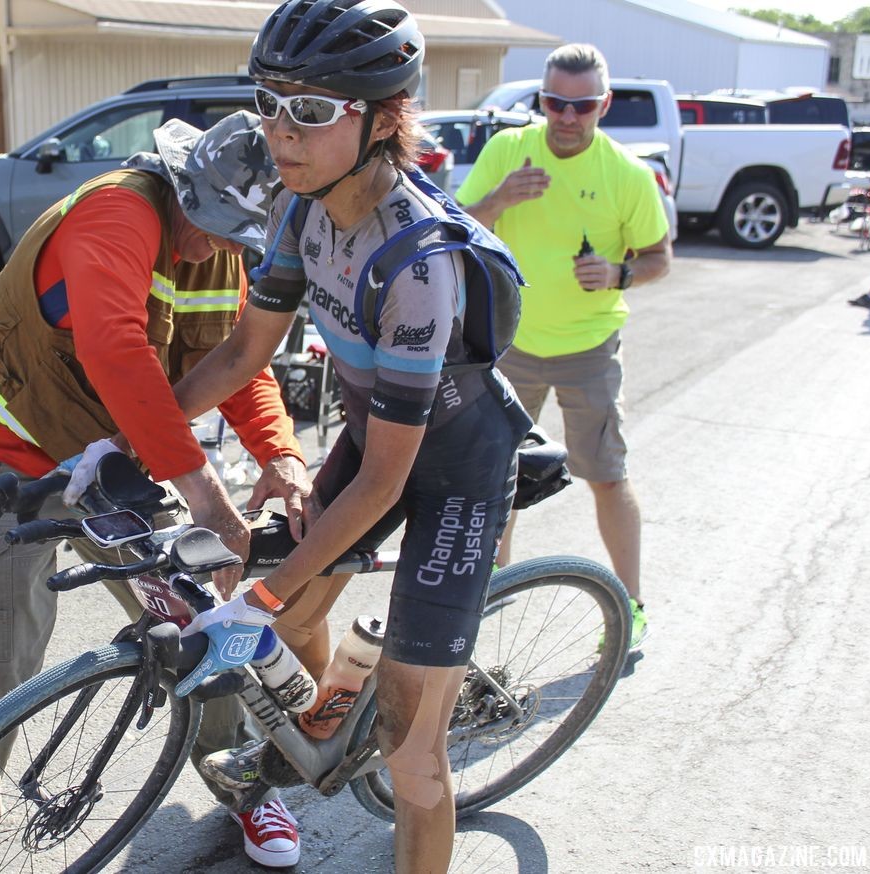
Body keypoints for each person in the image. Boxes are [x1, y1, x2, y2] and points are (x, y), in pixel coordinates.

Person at [137, 1, 533, 869]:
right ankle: (318, 727)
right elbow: (245, 349)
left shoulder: (418, 263)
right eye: (269, 102)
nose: (281, 132)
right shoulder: (301, 206)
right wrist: (143, 432)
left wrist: (265, 593)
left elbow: (387, 487)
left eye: (311, 111)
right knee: (288, 599)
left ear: (385, 120)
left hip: (453, 472)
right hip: (374, 438)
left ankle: (381, 736)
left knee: (412, 751)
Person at [0, 111, 312, 873]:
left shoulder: (223, 245)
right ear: (182, 182)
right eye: (208, 222)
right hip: (15, 458)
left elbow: (240, 358)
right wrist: (204, 495)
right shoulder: (116, 211)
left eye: (237, 232)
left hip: (117, 463)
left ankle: (240, 778)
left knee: (204, 622)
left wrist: (283, 453)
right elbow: (117, 350)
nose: (216, 245)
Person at [455, 42, 671, 649]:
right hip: (507, 342)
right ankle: (489, 581)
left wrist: (618, 273)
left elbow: (660, 258)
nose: (567, 117)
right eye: (554, 102)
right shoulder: (507, 151)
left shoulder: (627, 174)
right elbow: (456, 227)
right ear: (540, 100)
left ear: (603, 104)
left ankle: (628, 610)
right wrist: (500, 200)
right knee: (497, 470)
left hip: (587, 348)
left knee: (606, 474)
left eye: (582, 106)